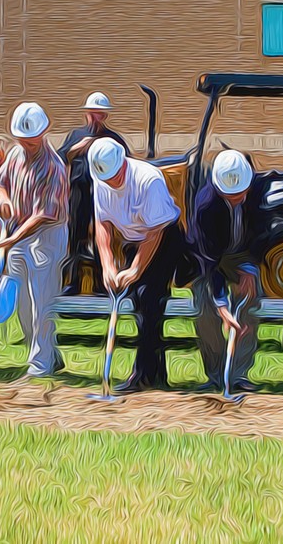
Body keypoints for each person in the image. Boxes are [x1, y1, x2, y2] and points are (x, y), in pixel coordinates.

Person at [89, 137, 182, 392]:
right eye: (106, 179)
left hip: (165, 236)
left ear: (123, 164)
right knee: (134, 298)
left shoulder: (148, 180)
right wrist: (108, 264)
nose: (111, 182)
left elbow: (155, 232)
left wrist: (135, 270)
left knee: (147, 296)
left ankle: (145, 374)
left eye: (114, 176)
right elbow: (103, 224)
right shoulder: (100, 181)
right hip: (134, 239)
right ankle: (155, 370)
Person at [0, 102, 70, 378]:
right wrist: (3, 199)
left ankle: (40, 365)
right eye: (22, 140)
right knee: (22, 303)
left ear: (44, 133)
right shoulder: (14, 154)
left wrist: (12, 238)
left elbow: (44, 214)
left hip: (45, 238)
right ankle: (50, 354)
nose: (27, 145)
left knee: (42, 303)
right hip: (16, 236)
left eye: (31, 140)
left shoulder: (54, 167)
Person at [188, 150, 270, 392]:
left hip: (242, 256)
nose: (235, 199)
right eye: (229, 195)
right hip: (207, 260)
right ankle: (215, 374)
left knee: (251, 301)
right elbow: (207, 259)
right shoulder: (205, 205)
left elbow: (263, 234)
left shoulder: (259, 193)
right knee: (205, 305)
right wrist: (222, 306)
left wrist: (249, 269)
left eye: (239, 194)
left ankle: (239, 374)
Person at [58, 92, 129, 295]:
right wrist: (78, 148)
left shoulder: (113, 139)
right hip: (79, 191)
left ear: (104, 116)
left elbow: (127, 163)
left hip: (104, 193)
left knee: (103, 235)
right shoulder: (76, 135)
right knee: (76, 235)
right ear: (87, 114)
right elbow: (62, 158)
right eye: (92, 113)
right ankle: (72, 282)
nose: (95, 118)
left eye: (99, 114)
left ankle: (100, 283)